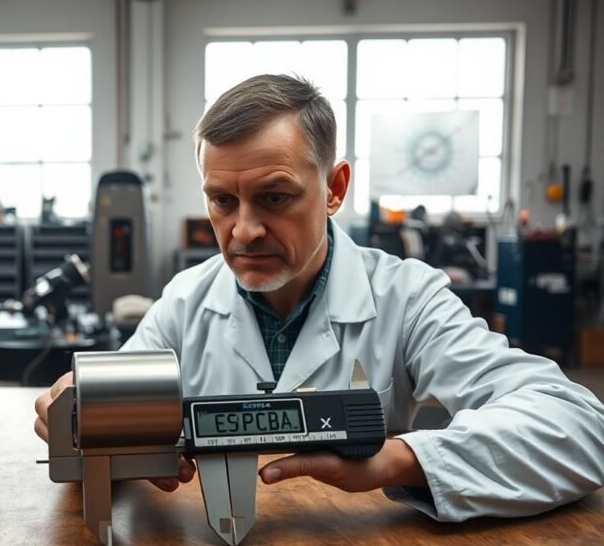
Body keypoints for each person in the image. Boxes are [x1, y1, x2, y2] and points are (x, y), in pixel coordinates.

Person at [34, 74, 604, 522]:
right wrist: (79, 417)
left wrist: (398, 460)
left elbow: (579, 427)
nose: (244, 230)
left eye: (275, 197)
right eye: (222, 201)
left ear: (334, 190)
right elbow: (98, 425)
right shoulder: (185, 301)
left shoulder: (408, 297)